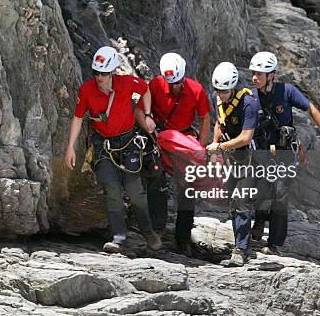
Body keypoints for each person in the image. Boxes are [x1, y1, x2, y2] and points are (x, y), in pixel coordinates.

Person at [64, 46, 162, 253]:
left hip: (128, 143)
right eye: (96, 73)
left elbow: (145, 89)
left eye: (104, 73)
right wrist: (70, 147)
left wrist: (147, 114)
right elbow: (78, 117)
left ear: (113, 72)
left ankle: (148, 231)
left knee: (135, 192)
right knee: (112, 191)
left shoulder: (127, 83)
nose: (100, 77)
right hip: (104, 146)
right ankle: (119, 238)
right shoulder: (87, 90)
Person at [249, 51, 320, 255]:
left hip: (285, 150)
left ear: (271, 75)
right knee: (263, 190)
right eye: (253, 73)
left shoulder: (287, 91)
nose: (255, 78)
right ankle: (260, 219)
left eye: (259, 74)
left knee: (280, 194)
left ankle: (274, 245)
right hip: (262, 150)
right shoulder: (251, 97)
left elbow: (311, 109)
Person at [134, 53, 211, 255]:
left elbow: (204, 119)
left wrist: (200, 149)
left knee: (188, 187)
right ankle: (157, 228)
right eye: (171, 83)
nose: (174, 86)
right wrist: (150, 131)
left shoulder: (196, 90)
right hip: (158, 139)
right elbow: (139, 112)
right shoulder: (156, 85)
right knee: (155, 176)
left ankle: (183, 237)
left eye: (177, 83)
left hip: (184, 140)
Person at [206, 62, 261, 267]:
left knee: (241, 201)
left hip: (250, 158)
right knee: (232, 203)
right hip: (232, 158)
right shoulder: (217, 98)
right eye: (218, 91)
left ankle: (241, 250)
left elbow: (246, 137)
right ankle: (242, 240)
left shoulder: (248, 103)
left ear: (233, 87)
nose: (220, 95)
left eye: (225, 91)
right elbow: (220, 123)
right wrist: (214, 144)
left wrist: (220, 148)